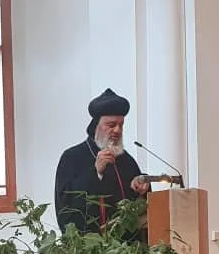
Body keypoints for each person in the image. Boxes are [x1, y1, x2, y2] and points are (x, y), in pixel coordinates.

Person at [53, 88, 150, 237]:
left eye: (121, 125)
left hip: (128, 252)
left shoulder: (128, 162)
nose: (117, 130)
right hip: (91, 251)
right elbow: (65, 205)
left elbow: (140, 210)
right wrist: (96, 173)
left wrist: (142, 188)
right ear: (96, 126)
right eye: (111, 125)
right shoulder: (72, 157)